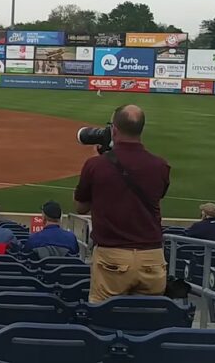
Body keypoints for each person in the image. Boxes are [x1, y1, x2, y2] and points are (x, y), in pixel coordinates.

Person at [74, 105, 171, 303]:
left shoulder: (96, 165)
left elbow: (80, 207)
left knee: (104, 316)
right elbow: (156, 197)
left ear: (114, 130)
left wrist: (98, 163)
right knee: (149, 317)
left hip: (112, 256)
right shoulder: (160, 165)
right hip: (152, 257)